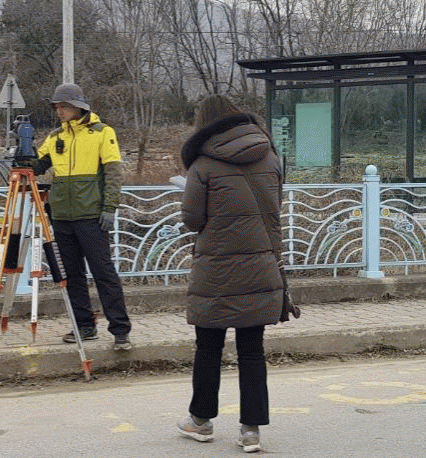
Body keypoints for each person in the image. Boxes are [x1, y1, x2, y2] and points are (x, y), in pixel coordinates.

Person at [175, 94, 284, 453]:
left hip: (216, 270)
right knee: (252, 350)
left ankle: (200, 421)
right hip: (260, 265)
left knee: (208, 348)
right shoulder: (270, 157)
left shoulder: (203, 164)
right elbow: (274, 209)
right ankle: (251, 430)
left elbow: (192, 219)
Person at [30, 83, 132, 351]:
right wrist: (22, 152)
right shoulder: (55, 136)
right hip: (62, 216)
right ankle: (84, 326)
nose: (59, 111)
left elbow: (113, 173)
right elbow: (37, 166)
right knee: (72, 275)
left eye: (63, 106)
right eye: (57, 107)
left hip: (91, 216)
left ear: (78, 106)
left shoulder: (102, 132)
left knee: (103, 273)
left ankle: (120, 330)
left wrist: (109, 207)